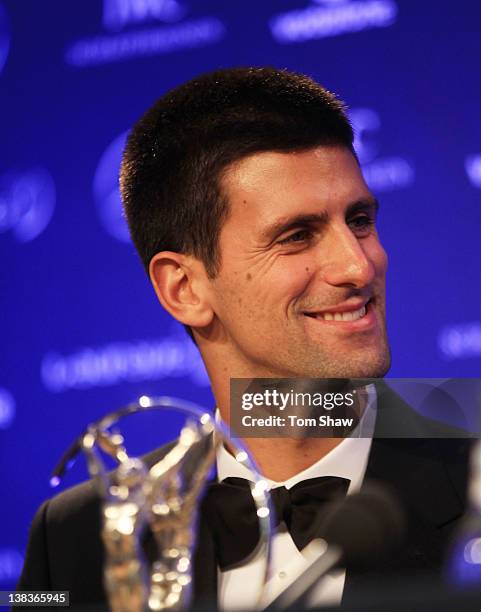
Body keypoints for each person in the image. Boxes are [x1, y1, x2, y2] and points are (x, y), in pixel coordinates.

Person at [18, 67, 471, 609]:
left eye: (360, 221)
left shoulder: (473, 493)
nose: (358, 264)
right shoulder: (74, 538)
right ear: (184, 288)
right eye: (297, 236)